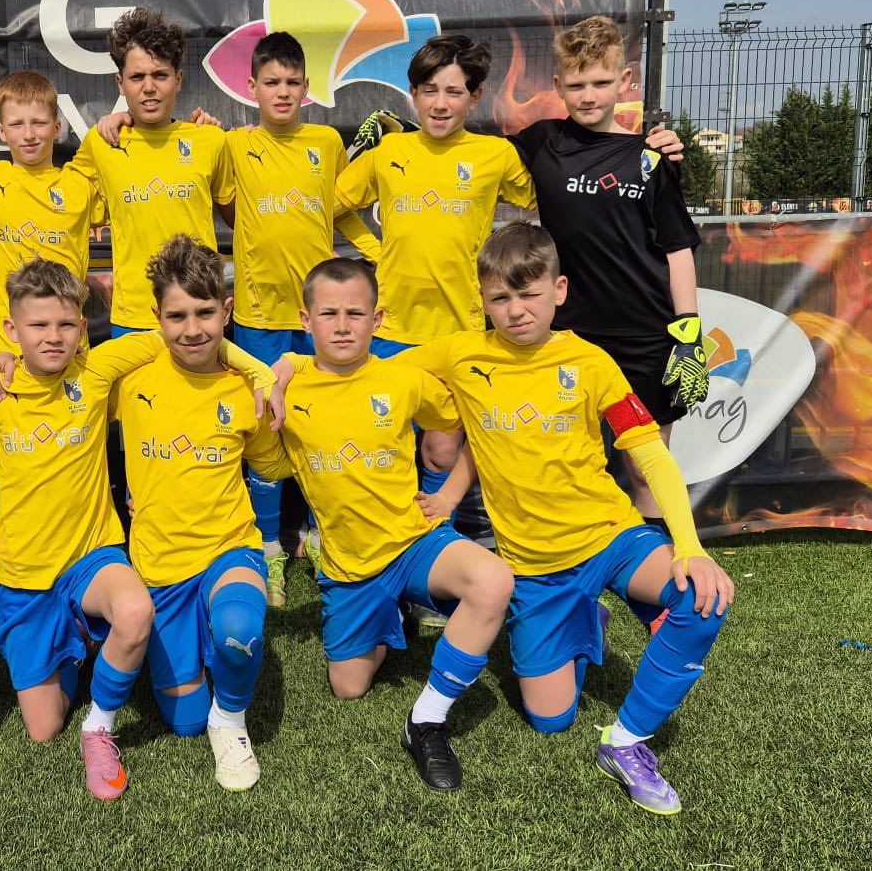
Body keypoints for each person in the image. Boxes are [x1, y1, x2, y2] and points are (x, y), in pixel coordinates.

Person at [392, 223, 734, 815]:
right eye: (500, 298)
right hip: (535, 567)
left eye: (529, 294)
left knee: (702, 598)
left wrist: (690, 546)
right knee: (550, 719)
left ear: (559, 290)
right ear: (482, 301)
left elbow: (650, 455)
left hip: (610, 536)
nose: (516, 310)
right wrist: (287, 365)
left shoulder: (591, 362)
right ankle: (585, 618)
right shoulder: (460, 354)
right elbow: (373, 372)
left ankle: (625, 743)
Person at [0, 259, 273, 800]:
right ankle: (81, 639)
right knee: (44, 728)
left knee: (142, 614)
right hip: (22, 572)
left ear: (83, 328)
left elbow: (187, 338)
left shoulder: (99, 370)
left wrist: (264, 372)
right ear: (12, 330)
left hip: (94, 555)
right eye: (37, 326)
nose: (53, 336)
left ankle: (101, 727)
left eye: (66, 324)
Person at [262, 258, 514, 792]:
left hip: (413, 540)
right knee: (349, 687)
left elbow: (470, 424)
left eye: (355, 313)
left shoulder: (402, 378)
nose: (342, 326)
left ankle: (427, 719)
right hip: (350, 565)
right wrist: (283, 365)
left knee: (493, 581)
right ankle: (394, 612)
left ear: (377, 320)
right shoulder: (289, 384)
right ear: (305, 321)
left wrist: (448, 494)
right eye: (328, 314)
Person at [332, 34, 534, 529]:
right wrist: (376, 253)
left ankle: (438, 544)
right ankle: (386, 543)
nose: (440, 104)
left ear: (475, 96)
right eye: (429, 90)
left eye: (453, 91)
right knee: (383, 447)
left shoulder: (495, 155)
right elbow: (332, 207)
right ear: (413, 94)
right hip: (390, 329)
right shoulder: (390, 150)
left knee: (442, 452)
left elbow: (550, 202)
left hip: (459, 331)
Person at [512, 15, 708, 522]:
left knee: (645, 468)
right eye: (576, 85)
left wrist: (688, 332)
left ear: (625, 81)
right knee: (568, 464)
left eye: (601, 83)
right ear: (558, 85)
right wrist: (407, 132)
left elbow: (677, 249)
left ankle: (667, 564)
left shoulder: (652, 156)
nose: (588, 95)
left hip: (646, 336)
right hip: (568, 336)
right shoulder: (542, 141)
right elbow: (473, 157)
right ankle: (578, 565)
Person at [115, 235, 290, 791]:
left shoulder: (245, 389)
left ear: (227, 310)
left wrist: (289, 399)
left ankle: (231, 720)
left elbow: (273, 464)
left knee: (239, 631)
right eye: (177, 316)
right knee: (183, 721)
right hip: (160, 563)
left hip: (228, 547)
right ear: (156, 319)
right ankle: (193, 670)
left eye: (205, 312)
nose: (192, 329)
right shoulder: (128, 380)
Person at [214, 31, 380, 607]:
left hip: (318, 316)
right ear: (251, 87)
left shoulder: (327, 142)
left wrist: (379, 255)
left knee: (319, 421)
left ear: (307, 88)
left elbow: (342, 211)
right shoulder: (234, 145)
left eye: (292, 82)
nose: (282, 92)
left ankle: (319, 532)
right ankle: (267, 546)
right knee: (266, 426)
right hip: (259, 313)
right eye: (271, 83)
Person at [65, 8, 233, 338]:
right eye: (137, 77)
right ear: (120, 83)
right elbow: (56, 202)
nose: (149, 87)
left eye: (160, 75)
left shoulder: (210, 139)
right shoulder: (101, 144)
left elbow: (238, 216)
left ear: (178, 79)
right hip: (133, 316)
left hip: (197, 312)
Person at [0, 71, 98, 359]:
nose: (28, 134)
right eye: (16, 124)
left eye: (39, 122)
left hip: (67, 344)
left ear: (57, 128)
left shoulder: (80, 184)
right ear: (1, 131)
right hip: (3, 347)